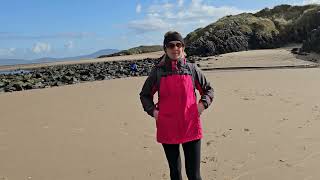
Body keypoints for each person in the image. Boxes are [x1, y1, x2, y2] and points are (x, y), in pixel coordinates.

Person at [139, 31, 214, 180]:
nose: (175, 48)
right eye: (171, 45)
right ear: (165, 49)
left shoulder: (192, 69)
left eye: (179, 45)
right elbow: (145, 95)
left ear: (183, 47)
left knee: (194, 175)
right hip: (167, 127)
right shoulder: (158, 72)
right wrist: (154, 112)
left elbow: (208, 90)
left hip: (190, 126)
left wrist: (202, 105)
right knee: (175, 173)